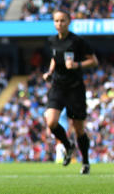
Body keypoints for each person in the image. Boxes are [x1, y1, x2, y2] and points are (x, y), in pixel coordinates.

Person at [42, 9, 99, 174]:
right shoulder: (52, 40)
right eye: (56, 21)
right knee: (51, 122)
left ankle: (86, 162)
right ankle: (68, 145)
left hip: (75, 89)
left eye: (62, 21)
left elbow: (94, 61)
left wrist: (77, 65)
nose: (59, 24)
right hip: (58, 87)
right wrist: (50, 72)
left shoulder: (77, 41)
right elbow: (54, 58)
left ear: (69, 22)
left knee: (79, 128)